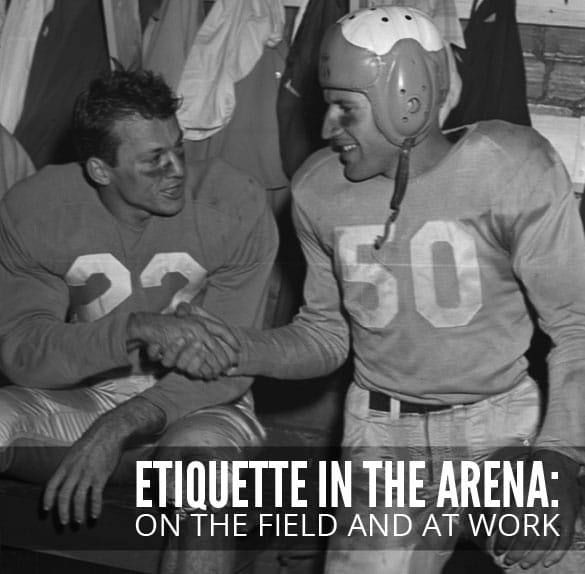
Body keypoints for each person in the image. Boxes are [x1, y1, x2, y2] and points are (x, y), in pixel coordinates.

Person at [164, 6, 585, 574]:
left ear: (405, 98)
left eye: (345, 108)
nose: (325, 127)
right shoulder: (317, 189)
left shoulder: (510, 166)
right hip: (382, 437)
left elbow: (577, 322)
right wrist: (238, 348)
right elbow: (325, 336)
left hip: (501, 427)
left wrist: (559, 454)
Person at [0, 69, 277, 573]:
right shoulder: (37, 209)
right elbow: (24, 354)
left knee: (206, 471)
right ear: (101, 170)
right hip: (85, 398)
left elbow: (228, 370)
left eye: (178, 147)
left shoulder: (231, 203)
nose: (176, 169)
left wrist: (117, 425)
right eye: (154, 159)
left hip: (202, 407)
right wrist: (132, 329)